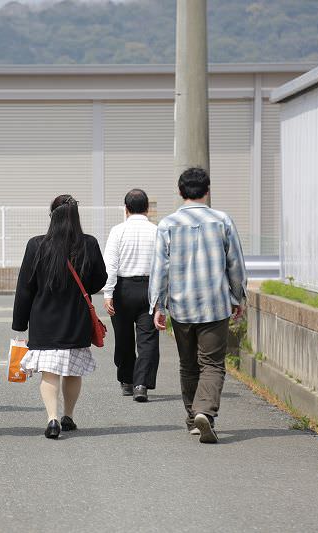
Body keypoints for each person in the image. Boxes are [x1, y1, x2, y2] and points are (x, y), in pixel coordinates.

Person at [149, 167, 247, 444]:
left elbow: (160, 269)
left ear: (180, 192)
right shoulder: (222, 221)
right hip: (215, 305)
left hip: (181, 307)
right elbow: (235, 264)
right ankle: (205, 411)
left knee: (188, 364)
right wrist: (238, 297)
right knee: (212, 363)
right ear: (207, 190)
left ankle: (194, 418)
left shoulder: (167, 225)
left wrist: (159, 306)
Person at [12, 194, 107, 439]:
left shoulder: (36, 245)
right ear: (76, 217)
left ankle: (52, 419)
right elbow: (100, 280)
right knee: (72, 370)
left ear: (52, 216)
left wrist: (19, 323)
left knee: (49, 373)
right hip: (76, 320)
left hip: (44, 321)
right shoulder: (89, 244)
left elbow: (25, 287)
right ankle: (69, 416)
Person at [103, 188, 159, 402]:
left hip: (122, 289)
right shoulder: (157, 231)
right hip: (149, 288)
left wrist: (108, 293)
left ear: (126, 209)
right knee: (148, 340)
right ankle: (141, 384)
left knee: (124, 337)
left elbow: (111, 264)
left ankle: (126, 380)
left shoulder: (118, 231)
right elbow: (163, 265)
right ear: (147, 208)